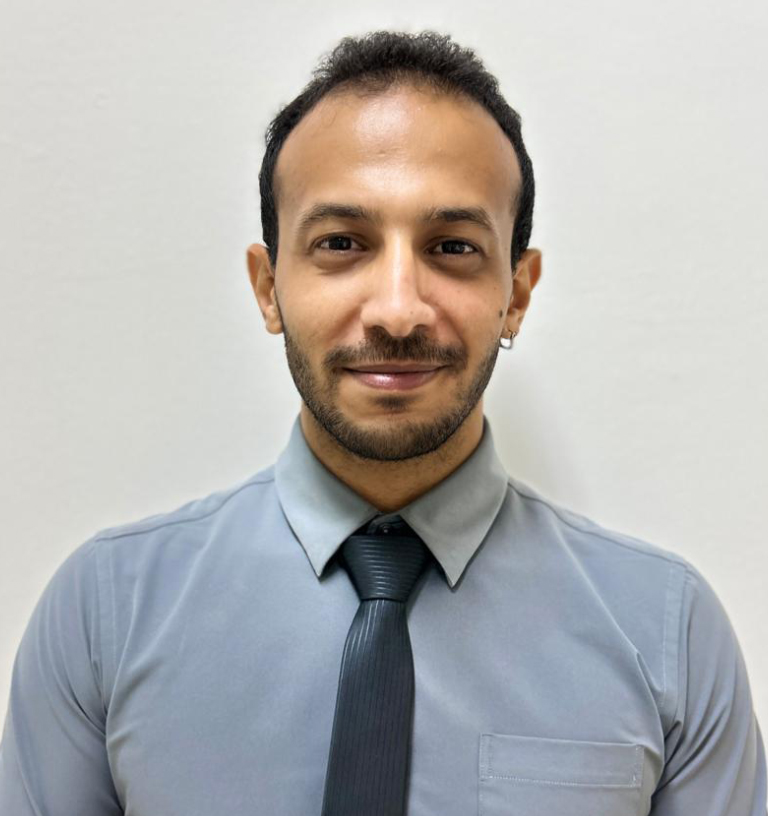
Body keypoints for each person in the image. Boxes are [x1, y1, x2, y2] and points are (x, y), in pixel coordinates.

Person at [0, 29, 765, 816]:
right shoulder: (106, 615)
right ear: (268, 287)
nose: (398, 311)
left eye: (453, 247)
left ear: (518, 293)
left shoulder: (668, 634)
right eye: (341, 243)